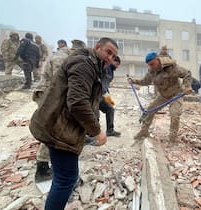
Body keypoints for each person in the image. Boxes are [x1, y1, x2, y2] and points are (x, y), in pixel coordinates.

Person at [29, 37, 118, 209]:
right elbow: (77, 102)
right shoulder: (85, 64)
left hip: (61, 125)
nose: (110, 57)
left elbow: (88, 98)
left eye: (113, 55)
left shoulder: (95, 66)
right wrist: (97, 131)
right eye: (108, 52)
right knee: (66, 179)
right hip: (60, 128)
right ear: (97, 47)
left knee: (64, 176)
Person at [128, 50, 192, 142]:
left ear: (157, 60)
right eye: (149, 65)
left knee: (174, 115)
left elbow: (187, 73)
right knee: (150, 110)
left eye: (152, 64)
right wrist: (134, 81)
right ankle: (144, 131)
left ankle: (172, 139)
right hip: (163, 95)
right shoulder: (152, 71)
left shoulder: (171, 67)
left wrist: (187, 86)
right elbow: (146, 81)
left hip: (176, 94)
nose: (151, 66)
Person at [32, 40, 70, 182]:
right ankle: (42, 169)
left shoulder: (64, 55)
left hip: (49, 93)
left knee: (54, 128)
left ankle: (48, 163)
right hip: (47, 94)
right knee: (51, 129)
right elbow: (58, 82)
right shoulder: (62, 57)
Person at [99, 56, 121, 137]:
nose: (117, 66)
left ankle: (110, 130)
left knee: (110, 109)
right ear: (112, 61)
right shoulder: (105, 67)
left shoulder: (111, 71)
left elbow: (106, 84)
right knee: (94, 114)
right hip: (95, 94)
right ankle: (90, 134)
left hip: (102, 94)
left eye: (119, 65)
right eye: (117, 64)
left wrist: (107, 96)